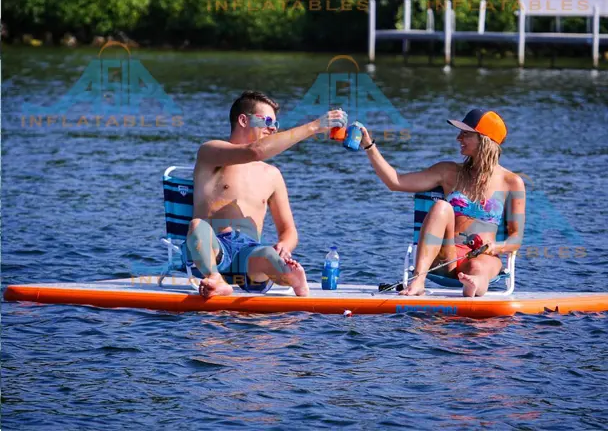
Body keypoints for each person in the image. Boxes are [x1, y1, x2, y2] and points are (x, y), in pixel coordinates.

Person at [187, 90, 347, 299]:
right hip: (211, 250)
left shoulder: (272, 175)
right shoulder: (210, 152)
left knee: (269, 255)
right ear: (243, 120)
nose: (272, 127)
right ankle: (215, 279)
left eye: (275, 123)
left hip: (249, 255)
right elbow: (255, 151)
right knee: (197, 226)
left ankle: (293, 278)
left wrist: (284, 246)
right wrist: (314, 126)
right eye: (267, 120)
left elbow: (289, 230)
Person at [360, 109, 525, 297]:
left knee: (479, 266)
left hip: (482, 258)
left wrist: (497, 247)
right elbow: (395, 182)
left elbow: (516, 238)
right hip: (445, 256)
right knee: (441, 206)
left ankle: (474, 285)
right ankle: (418, 281)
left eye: (465, 134)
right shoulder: (447, 171)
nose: (458, 138)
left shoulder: (512, 183)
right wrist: (369, 146)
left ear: (484, 140)